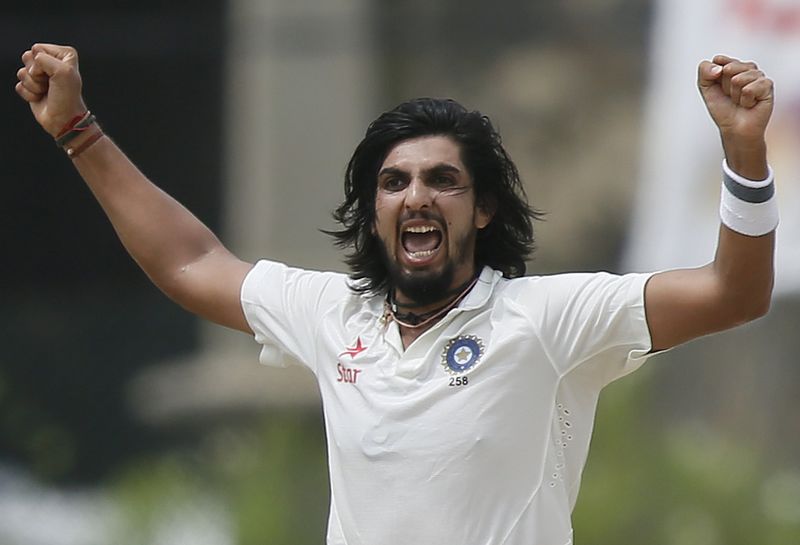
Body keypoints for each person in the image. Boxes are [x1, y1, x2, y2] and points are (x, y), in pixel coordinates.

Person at [16, 43, 778, 545]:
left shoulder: (548, 318)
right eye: (394, 182)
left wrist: (745, 154)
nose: (417, 196)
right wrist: (78, 130)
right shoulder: (332, 313)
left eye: (443, 180)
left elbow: (732, 293)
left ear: (482, 210)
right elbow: (189, 262)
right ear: (374, 211)